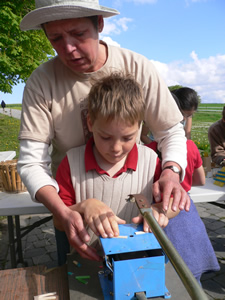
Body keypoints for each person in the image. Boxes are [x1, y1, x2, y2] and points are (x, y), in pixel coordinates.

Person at [18, 0, 189, 262]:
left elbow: (170, 131)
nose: (69, 49)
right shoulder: (42, 81)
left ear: (99, 23)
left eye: (78, 34)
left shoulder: (137, 67)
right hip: (72, 203)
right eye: (56, 38)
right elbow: (31, 162)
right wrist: (64, 212)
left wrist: (171, 171)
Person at [54, 72, 180, 263]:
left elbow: (173, 204)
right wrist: (84, 206)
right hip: (89, 264)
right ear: (90, 123)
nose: (116, 148)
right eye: (105, 137)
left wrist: (159, 211)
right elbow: (58, 221)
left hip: (140, 261)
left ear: (139, 127)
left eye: (128, 138)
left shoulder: (151, 160)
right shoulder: (71, 163)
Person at [147, 100, 220, 284]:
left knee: (171, 277)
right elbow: (200, 180)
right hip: (187, 212)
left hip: (162, 215)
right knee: (192, 274)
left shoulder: (146, 152)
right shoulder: (191, 146)